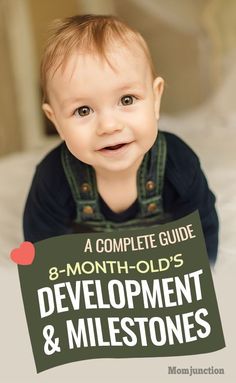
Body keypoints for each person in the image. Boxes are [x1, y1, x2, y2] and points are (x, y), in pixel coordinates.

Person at [23, 14, 219, 264]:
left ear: (155, 98)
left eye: (126, 100)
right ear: (56, 121)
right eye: (83, 110)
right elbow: (42, 253)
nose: (109, 126)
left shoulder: (177, 163)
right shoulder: (52, 178)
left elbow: (202, 234)